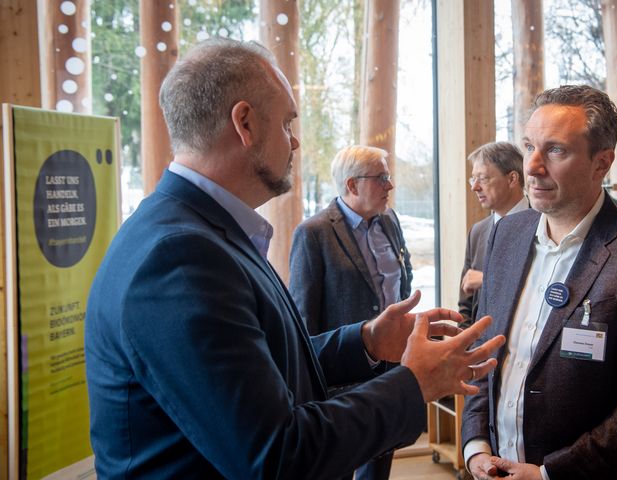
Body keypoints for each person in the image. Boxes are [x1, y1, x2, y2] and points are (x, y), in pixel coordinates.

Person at [84, 38, 505, 480]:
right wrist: (413, 383)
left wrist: (364, 341)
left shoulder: (204, 231)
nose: (297, 141)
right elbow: (277, 456)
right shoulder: (179, 258)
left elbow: (258, 368)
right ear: (244, 122)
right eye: (287, 123)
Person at [461, 85, 617, 480]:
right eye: (529, 145)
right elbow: (485, 353)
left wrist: (550, 474)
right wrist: (475, 445)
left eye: (555, 151)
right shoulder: (504, 235)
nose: (532, 166)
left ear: (601, 164)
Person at [288, 145, 412, 480]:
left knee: (380, 456)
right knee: (338, 464)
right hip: (343, 373)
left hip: (389, 365)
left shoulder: (389, 221)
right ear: (352, 185)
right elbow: (303, 318)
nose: (389, 186)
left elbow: (403, 275)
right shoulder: (313, 233)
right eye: (381, 178)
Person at [458, 142, 528, 325]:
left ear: (512, 179)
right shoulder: (477, 232)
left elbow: (541, 288)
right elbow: (466, 304)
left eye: (483, 178)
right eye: (473, 179)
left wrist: (488, 279)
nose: (475, 187)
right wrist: (465, 348)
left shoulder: (545, 226)